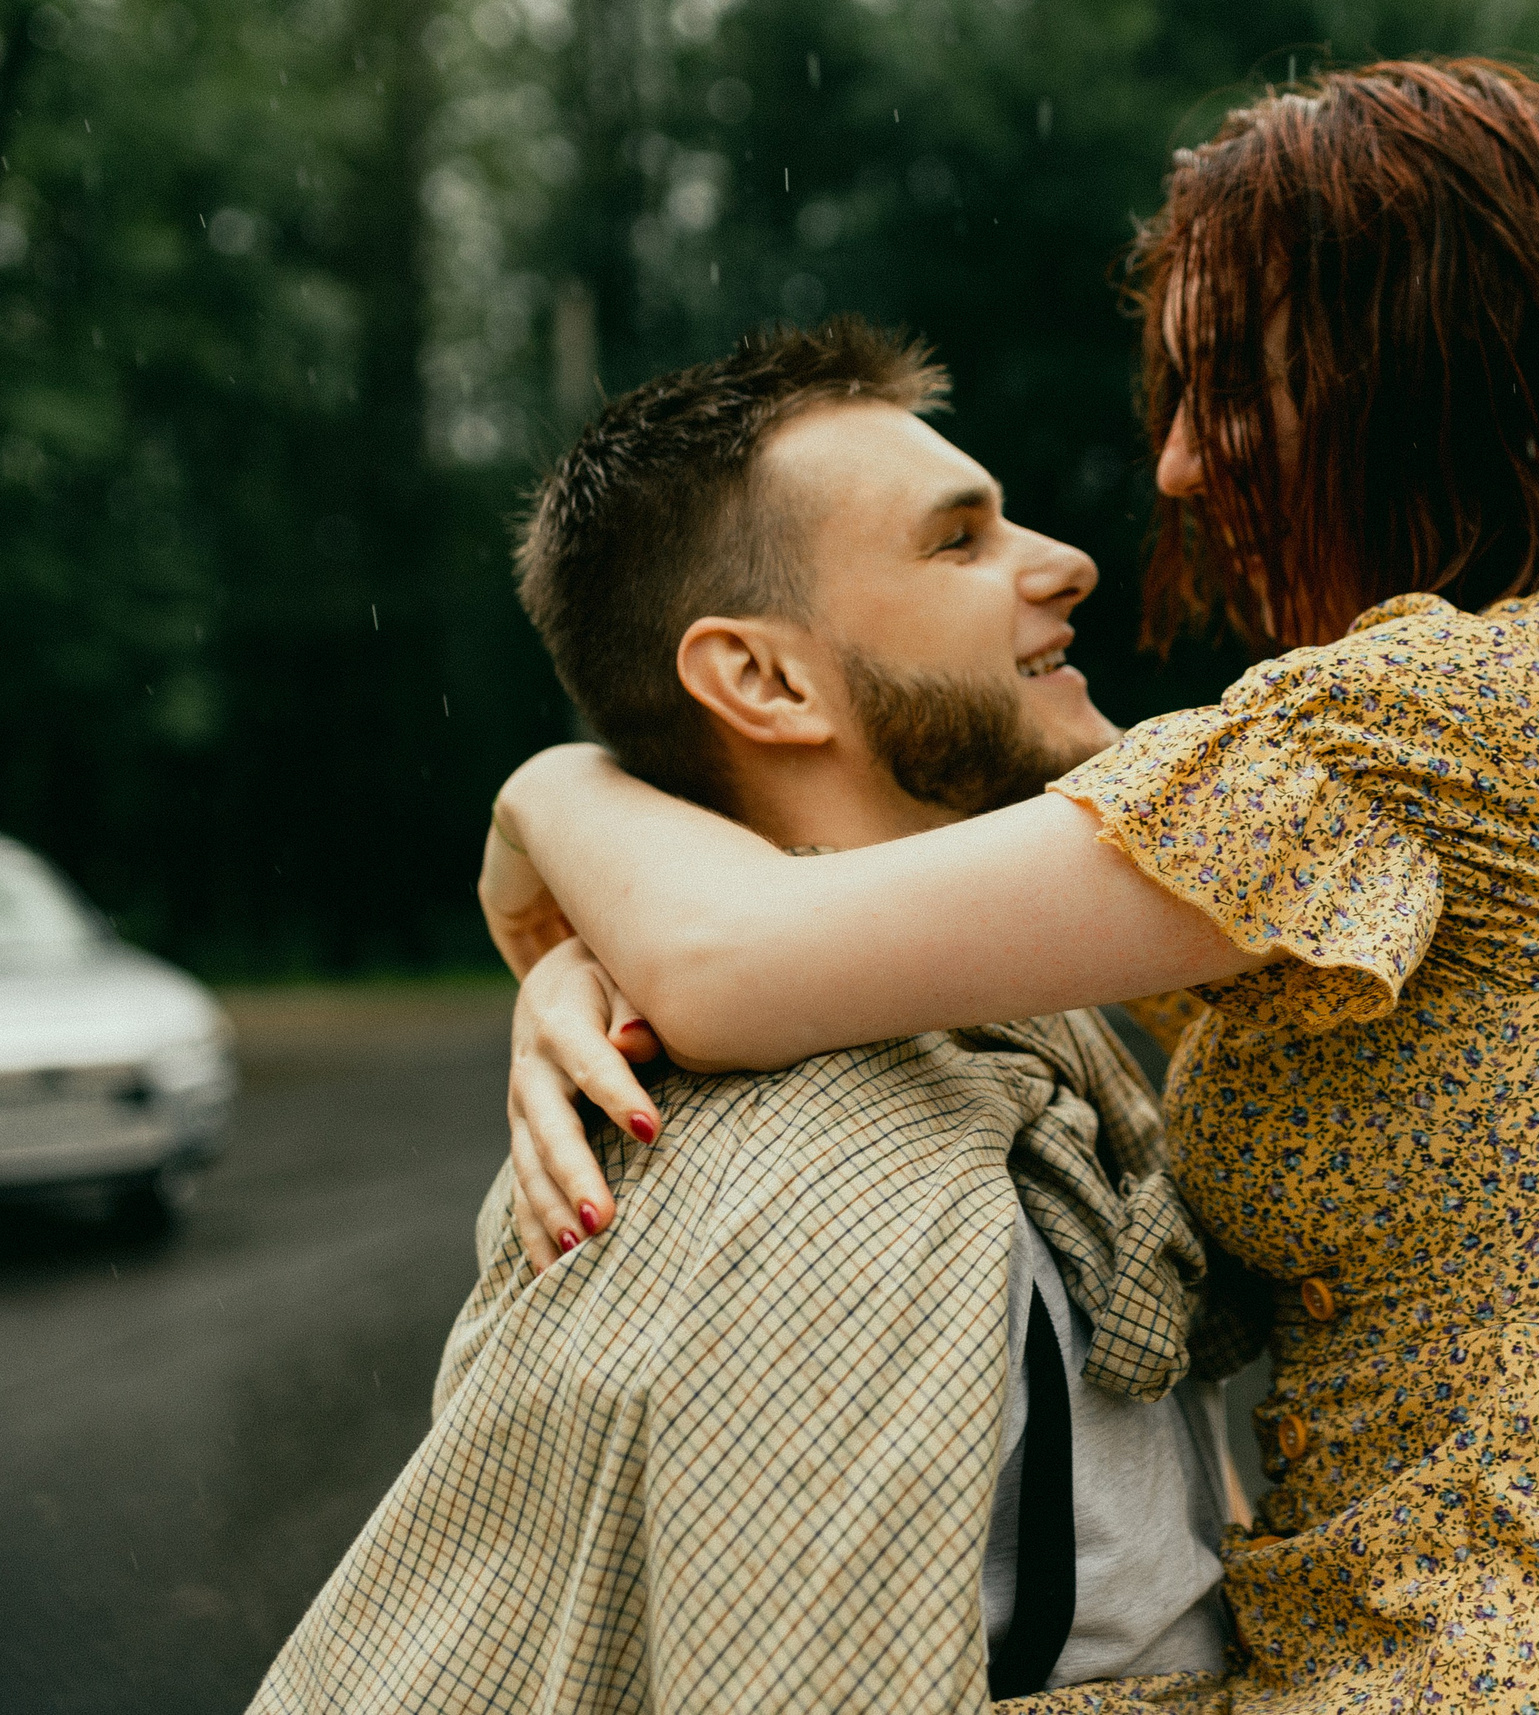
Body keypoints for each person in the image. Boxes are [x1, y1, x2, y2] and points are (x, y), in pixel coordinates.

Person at [486, 58, 1539, 1712]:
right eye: (1174, 398)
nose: (1176, 471)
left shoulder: (1426, 726)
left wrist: (554, 794)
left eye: (1236, 384)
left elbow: (741, 959)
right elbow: (807, 954)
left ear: (1420, 375)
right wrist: (582, 967)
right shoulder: (1468, 730)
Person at [253, 319, 1251, 1715]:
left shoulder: (997, 1044)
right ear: (765, 681)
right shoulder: (836, 1182)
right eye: (960, 542)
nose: (1064, 561)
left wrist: (555, 803)